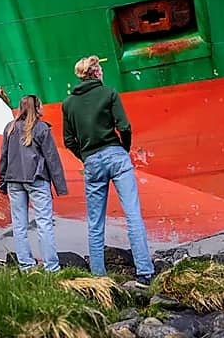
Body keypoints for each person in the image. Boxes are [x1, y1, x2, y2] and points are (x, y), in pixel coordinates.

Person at [62, 55, 155, 284]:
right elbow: (124, 126)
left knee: (95, 222)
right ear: (95, 73)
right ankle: (144, 272)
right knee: (133, 215)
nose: (102, 73)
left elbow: (69, 140)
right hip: (116, 156)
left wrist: (85, 156)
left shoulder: (68, 104)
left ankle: (98, 275)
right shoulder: (109, 93)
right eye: (101, 70)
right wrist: (123, 149)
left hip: (92, 161)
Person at [0, 95, 68, 272]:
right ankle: (51, 267)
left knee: (19, 225)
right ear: (36, 108)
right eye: (41, 105)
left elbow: (4, 157)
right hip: (36, 179)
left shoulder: (9, 128)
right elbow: (52, 158)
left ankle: (26, 265)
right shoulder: (41, 128)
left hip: (13, 180)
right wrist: (60, 187)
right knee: (44, 223)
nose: (43, 108)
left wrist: (2, 183)